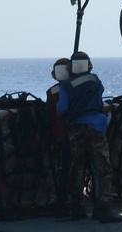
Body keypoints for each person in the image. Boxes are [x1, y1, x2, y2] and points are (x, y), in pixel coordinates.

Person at [55, 51, 121, 224]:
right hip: (96, 128)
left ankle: (77, 208)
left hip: (76, 130)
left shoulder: (66, 86)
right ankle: (103, 209)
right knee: (102, 169)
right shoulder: (95, 80)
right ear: (89, 65)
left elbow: (61, 109)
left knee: (76, 168)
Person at [45, 57, 72, 218]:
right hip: (75, 132)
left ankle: (61, 202)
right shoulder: (75, 88)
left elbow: (49, 116)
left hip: (60, 136)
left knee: (64, 169)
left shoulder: (51, 92)